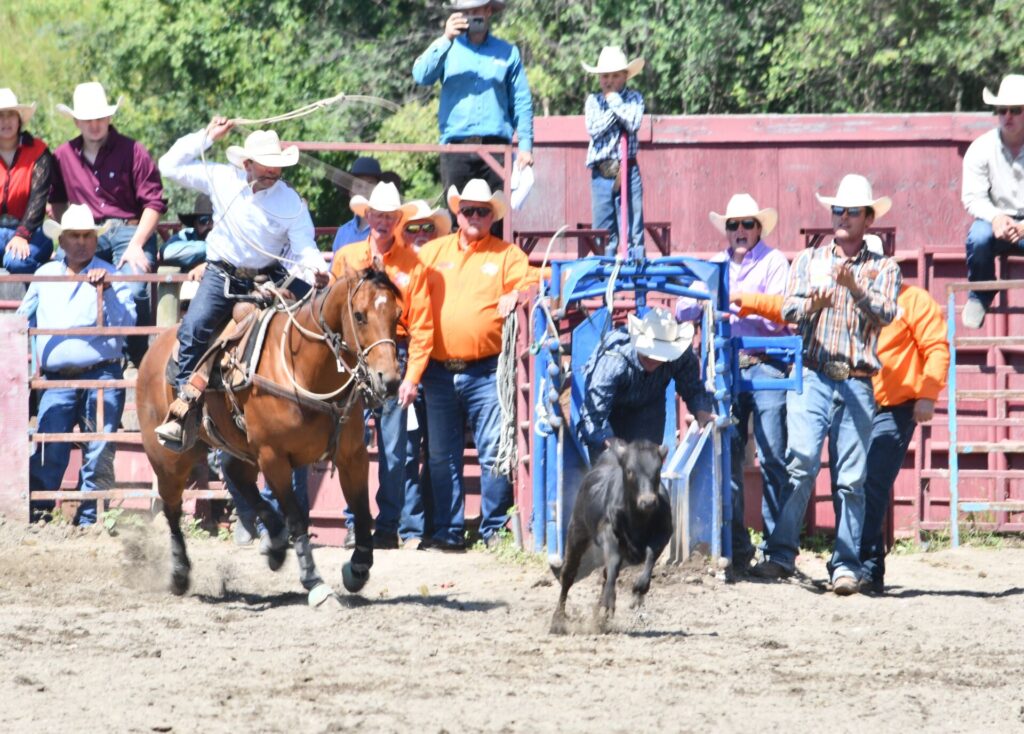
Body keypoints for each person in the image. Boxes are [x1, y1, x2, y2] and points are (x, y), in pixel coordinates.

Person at [735, 248, 950, 594]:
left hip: (893, 405)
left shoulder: (913, 301)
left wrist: (927, 393)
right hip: (855, 392)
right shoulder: (834, 288)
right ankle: (833, 560)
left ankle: (866, 566)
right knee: (819, 468)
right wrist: (746, 300)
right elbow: (787, 306)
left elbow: (936, 347)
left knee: (867, 483)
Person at [749, 174, 901, 595]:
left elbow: (887, 313)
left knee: (851, 477)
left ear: (868, 219)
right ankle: (781, 553)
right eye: (838, 210)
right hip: (813, 374)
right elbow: (789, 309)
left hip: (857, 379)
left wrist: (855, 289)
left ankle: (845, 564)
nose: (843, 217)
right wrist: (808, 306)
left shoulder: (884, 268)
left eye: (852, 211)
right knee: (800, 464)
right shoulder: (808, 260)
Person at [154, 117, 329, 447]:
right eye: (266, 166)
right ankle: (183, 409)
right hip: (222, 274)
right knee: (193, 328)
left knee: (320, 316)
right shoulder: (222, 177)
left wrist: (318, 270)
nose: (272, 173)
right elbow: (169, 165)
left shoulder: (290, 201)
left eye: (276, 167)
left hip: (271, 274)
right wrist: (206, 136)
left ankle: (323, 398)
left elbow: (304, 245)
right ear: (247, 163)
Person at [677, 194, 790, 573]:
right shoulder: (714, 266)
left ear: (758, 228)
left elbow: (779, 318)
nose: (739, 231)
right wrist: (704, 300)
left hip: (766, 364)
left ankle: (779, 552)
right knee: (728, 456)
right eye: (733, 225)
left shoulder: (774, 262)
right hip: (725, 368)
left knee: (773, 456)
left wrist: (735, 301)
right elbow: (681, 308)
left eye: (746, 224)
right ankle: (738, 548)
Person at [417, 179, 530, 550]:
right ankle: (448, 532)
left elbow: (535, 282)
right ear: (457, 212)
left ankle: (493, 529)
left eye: (483, 211)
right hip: (437, 369)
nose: (475, 216)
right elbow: (405, 285)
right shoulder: (432, 252)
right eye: (468, 210)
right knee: (439, 456)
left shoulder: (507, 255)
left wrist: (517, 293)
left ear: (492, 216)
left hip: (486, 369)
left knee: (495, 450)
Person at [331, 182, 433, 550]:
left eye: (391, 216)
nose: (384, 221)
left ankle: (389, 526)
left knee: (396, 448)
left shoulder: (413, 267)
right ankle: (355, 521)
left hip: (394, 356)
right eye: (378, 215)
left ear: (398, 220)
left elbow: (422, 327)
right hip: (353, 359)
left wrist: (412, 377)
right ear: (367, 216)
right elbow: (331, 309)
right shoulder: (345, 258)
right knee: (348, 444)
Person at [19, 205, 136, 525]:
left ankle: (91, 519)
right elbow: (20, 319)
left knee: (99, 448)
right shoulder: (44, 276)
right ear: (62, 240)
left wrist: (107, 290)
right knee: (49, 446)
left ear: (95, 240)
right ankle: (38, 515)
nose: (82, 241)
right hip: (56, 379)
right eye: (75, 236)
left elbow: (127, 324)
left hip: (102, 372)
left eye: (88, 236)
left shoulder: (112, 275)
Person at [50, 82, 167, 366]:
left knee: (135, 284)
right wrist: (65, 236)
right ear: (77, 121)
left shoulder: (133, 150)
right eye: (88, 119)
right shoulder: (62, 156)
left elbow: (154, 203)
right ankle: (79, 357)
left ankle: (136, 356)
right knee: (63, 279)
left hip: (130, 229)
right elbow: (56, 201)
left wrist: (138, 243)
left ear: (109, 118)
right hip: (87, 231)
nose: (95, 125)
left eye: (100, 117)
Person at [412, 0, 534, 205]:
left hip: (497, 150)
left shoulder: (507, 52)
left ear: (488, 11)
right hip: (456, 148)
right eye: (466, 12)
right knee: (458, 216)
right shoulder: (448, 48)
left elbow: (521, 101)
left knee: (497, 217)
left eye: (476, 10)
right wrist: (446, 37)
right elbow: (421, 76)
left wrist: (525, 146)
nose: (471, 16)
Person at [578, 307, 713, 464]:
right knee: (609, 469)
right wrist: (608, 440)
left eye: (661, 355)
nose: (653, 359)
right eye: (649, 353)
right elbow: (594, 413)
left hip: (648, 409)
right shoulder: (614, 360)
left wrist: (701, 410)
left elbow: (692, 388)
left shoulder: (681, 356)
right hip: (608, 413)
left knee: (646, 467)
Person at [962, 73, 1024, 329]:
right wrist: (996, 217)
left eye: (1016, 110)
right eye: (1001, 110)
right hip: (995, 220)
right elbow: (972, 197)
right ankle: (980, 295)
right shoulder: (981, 148)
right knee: (978, 237)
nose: (1007, 115)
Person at [582, 46, 646, 259]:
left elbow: (634, 122)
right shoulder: (593, 100)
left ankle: (635, 269)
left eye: (615, 75)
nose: (608, 81)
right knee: (602, 229)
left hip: (628, 169)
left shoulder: (635, 98)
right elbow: (594, 128)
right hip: (601, 173)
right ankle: (604, 272)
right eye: (604, 76)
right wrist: (617, 108)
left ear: (625, 76)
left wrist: (614, 103)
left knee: (633, 224)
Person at [0, 88, 54, 274]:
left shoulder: (38, 151)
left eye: (10, 115)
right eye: (0, 115)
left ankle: (49, 279)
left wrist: (22, 234)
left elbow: (38, 198)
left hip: (32, 231)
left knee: (16, 262)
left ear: (19, 119)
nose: (5, 121)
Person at [331, 156, 384, 252]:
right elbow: (335, 266)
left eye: (370, 184)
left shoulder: (388, 229)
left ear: (379, 189)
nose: (364, 190)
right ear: (350, 191)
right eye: (358, 185)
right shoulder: (343, 232)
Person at [160, 193, 214, 273]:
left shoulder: (230, 238)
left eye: (214, 220)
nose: (210, 225)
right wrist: (215, 249)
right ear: (195, 224)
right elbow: (166, 253)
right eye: (204, 220)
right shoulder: (186, 235)